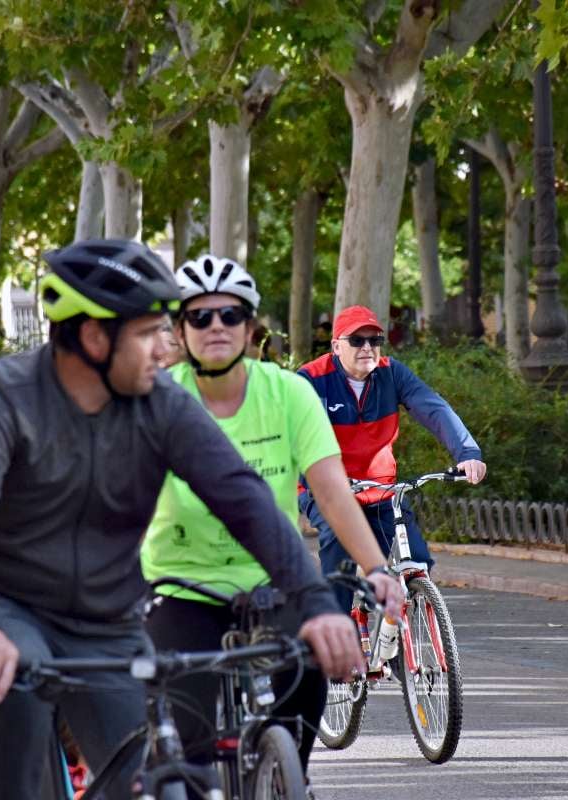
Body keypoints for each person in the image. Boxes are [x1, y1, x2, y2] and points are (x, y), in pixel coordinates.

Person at [0, 239, 363, 800]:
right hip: (4, 610)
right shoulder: (2, 400)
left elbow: (243, 499)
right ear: (93, 337)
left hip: (107, 623)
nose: (165, 349)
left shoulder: (160, 404)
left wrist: (314, 600)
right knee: (17, 699)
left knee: (144, 780)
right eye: (147, 334)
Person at [141, 254, 405, 786]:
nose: (216, 326)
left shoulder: (289, 394)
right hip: (180, 585)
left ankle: (286, 778)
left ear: (250, 329)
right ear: (179, 331)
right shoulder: (157, 400)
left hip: (273, 579)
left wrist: (378, 569)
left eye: (230, 316)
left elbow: (331, 494)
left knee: (310, 664)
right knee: (189, 750)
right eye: (199, 317)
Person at [297, 304, 488, 611]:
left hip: (381, 489)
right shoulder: (310, 380)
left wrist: (467, 453)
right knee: (338, 550)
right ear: (336, 346)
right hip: (328, 490)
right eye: (357, 341)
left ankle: (397, 645)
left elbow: (433, 408)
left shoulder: (391, 372)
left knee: (417, 560)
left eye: (375, 340)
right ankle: (339, 642)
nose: (368, 348)